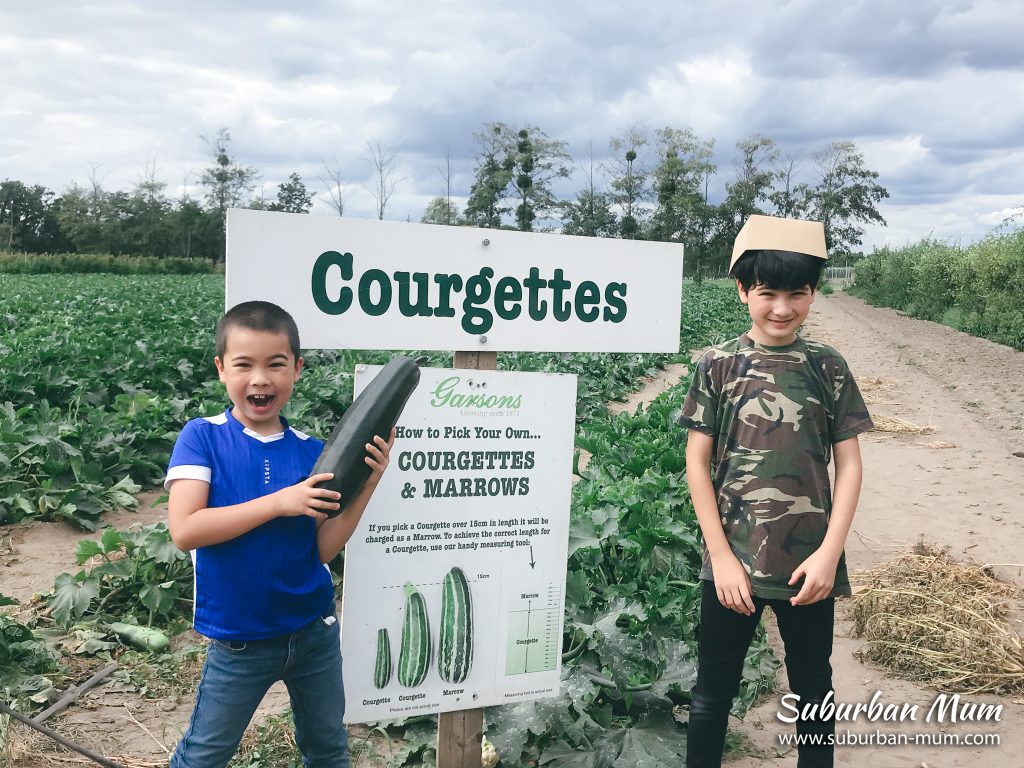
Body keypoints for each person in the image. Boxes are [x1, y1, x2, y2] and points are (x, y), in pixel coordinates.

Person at [165, 300, 394, 768]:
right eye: (244, 365)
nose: (260, 379)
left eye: (276, 364)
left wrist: (368, 485)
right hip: (240, 639)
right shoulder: (202, 437)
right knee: (205, 754)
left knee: (328, 749)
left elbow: (323, 549)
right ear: (220, 369)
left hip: (314, 632)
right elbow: (186, 530)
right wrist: (279, 503)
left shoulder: (314, 453)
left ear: (297, 369)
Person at [680, 215, 873, 768]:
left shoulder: (827, 367)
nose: (782, 308)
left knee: (813, 687)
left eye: (798, 293)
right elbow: (697, 463)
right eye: (768, 293)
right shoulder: (717, 365)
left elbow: (850, 466)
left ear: (814, 293)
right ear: (743, 291)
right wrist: (720, 558)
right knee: (713, 688)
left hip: (808, 564)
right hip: (731, 564)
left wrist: (828, 556)